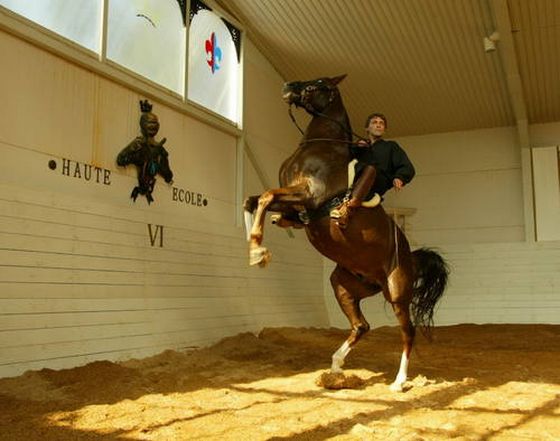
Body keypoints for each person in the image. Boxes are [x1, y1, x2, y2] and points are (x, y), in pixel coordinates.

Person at [332, 112, 415, 228]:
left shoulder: (391, 146)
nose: (378, 125)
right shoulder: (359, 146)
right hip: (353, 181)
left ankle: (347, 208)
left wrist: (400, 177)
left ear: (384, 129)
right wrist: (356, 148)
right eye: (374, 122)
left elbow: (407, 167)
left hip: (377, 182)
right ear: (367, 128)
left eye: (381, 123)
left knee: (370, 169)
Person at [117, 100, 173, 203]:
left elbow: (168, 175)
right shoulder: (139, 147)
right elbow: (120, 160)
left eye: (154, 124)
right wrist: (131, 147)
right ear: (143, 126)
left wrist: (160, 163)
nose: (152, 126)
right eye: (149, 124)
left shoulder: (160, 151)